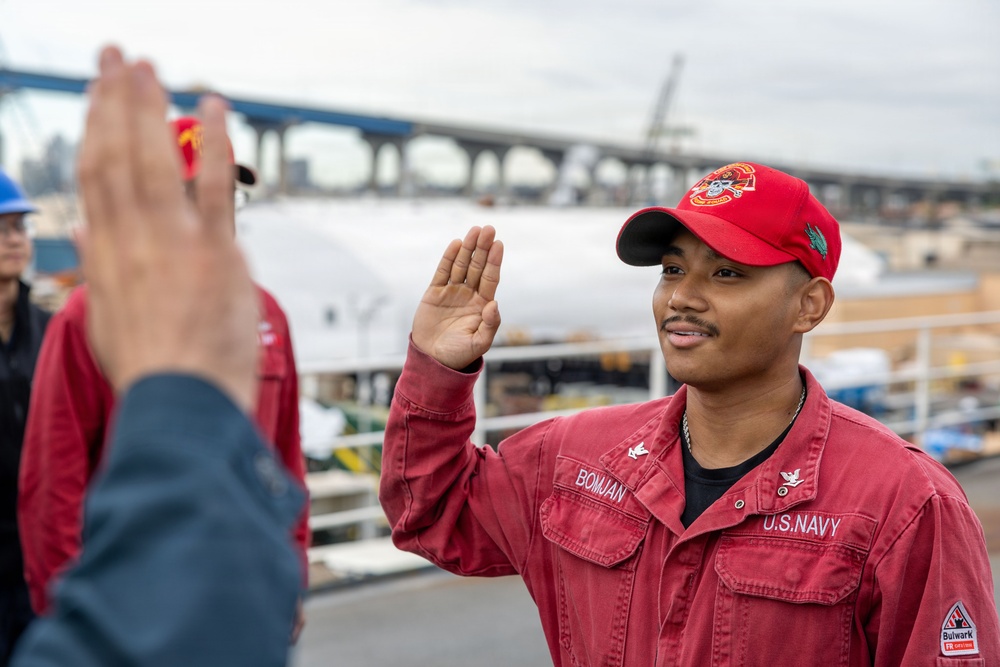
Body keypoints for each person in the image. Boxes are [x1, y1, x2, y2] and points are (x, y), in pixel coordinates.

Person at [379, 161, 1000, 664]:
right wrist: (438, 371)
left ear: (809, 306)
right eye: (673, 269)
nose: (681, 297)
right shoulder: (573, 459)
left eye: (726, 273)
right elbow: (429, 513)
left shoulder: (905, 504)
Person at [11, 46, 303, 666]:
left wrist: (291, 571)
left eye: (228, 193)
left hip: (243, 597)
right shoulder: (89, 315)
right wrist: (67, 610)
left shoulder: (267, 313)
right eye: (197, 192)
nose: (217, 210)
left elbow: (284, 455)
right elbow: (53, 484)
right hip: (129, 606)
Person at [0, 171, 50, 665]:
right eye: (2, 227)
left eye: (21, 227)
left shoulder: (51, 333)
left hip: (38, 565)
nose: (15, 239)